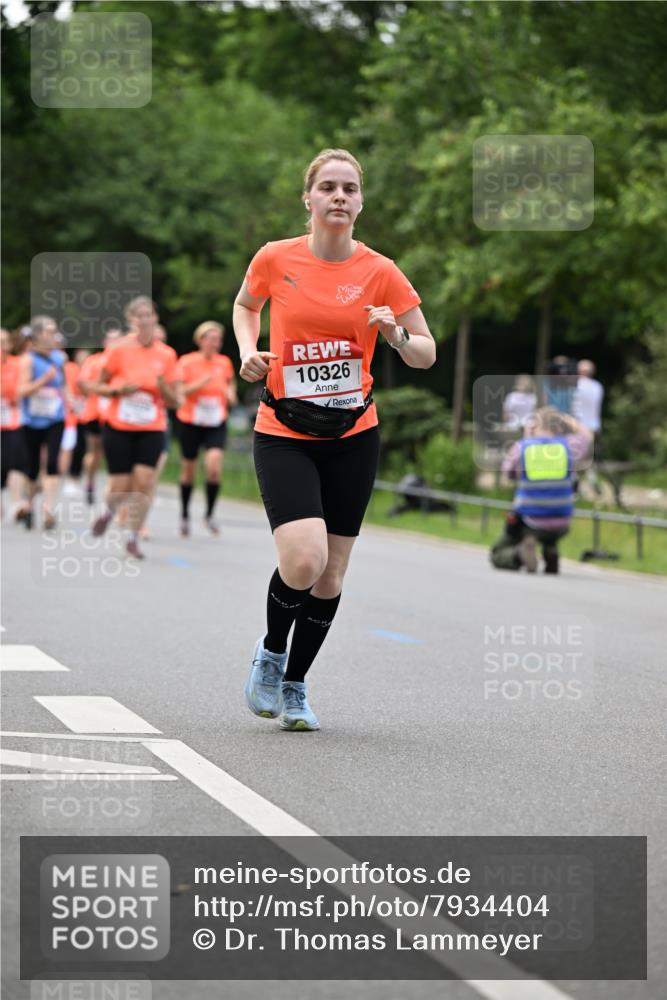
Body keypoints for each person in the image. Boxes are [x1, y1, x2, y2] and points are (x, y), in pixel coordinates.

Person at [234, 148, 435, 731]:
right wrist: (248, 351)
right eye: (328, 187)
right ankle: (272, 653)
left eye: (350, 188)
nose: (339, 196)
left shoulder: (381, 271)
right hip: (285, 431)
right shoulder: (276, 257)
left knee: (331, 573)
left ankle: (295, 685)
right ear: (309, 198)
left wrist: (395, 334)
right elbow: (246, 305)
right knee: (304, 558)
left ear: (361, 202)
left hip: (353, 435)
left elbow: (425, 353)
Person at [92, 297, 179, 559]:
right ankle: (108, 512)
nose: (144, 320)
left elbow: (175, 400)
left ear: (155, 318)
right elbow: (98, 386)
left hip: (151, 426)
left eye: (148, 314)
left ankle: (132, 536)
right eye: (138, 315)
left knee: (144, 481)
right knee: (121, 485)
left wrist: (162, 386)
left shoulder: (167, 354)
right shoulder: (118, 349)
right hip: (119, 425)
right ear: (131, 320)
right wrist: (117, 390)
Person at [490, 407, 592, 574]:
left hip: (530, 521)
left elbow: (508, 473)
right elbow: (587, 436)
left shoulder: (523, 447)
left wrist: (526, 438)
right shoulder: (569, 446)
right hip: (562, 522)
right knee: (549, 530)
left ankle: (519, 554)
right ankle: (551, 551)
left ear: (535, 425)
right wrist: (569, 420)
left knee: (498, 554)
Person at [174, 320, 237, 536]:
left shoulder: (224, 362)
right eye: (212, 339)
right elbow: (179, 391)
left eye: (219, 340)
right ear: (201, 340)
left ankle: (209, 514)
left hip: (216, 420)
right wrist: (200, 383)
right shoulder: (187, 362)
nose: (216, 343)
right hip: (190, 421)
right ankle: (184, 514)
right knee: (188, 471)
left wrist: (230, 392)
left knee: (214, 466)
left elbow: (230, 382)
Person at [16, 316, 66, 530]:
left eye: (54, 331)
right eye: (48, 331)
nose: (53, 335)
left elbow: (63, 385)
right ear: (37, 335)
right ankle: (29, 506)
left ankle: (49, 509)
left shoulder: (60, 358)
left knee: (52, 463)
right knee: (32, 467)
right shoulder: (28, 360)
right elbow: (21, 391)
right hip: (32, 420)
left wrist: (69, 399)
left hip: (55, 418)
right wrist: (43, 380)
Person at [77, 329, 123, 505]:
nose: (114, 344)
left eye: (118, 340)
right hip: (94, 413)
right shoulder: (94, 361)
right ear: (105, 342)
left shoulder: (124, 362)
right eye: (111, 340)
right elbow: (83, 384)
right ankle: (89, 482)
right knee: (95, 452)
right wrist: (104, 390)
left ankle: (112, 489)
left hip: (115, 415)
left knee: (111, 453)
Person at [1, 327, 27, 516]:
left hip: (13, 421)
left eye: (4, 342)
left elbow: (21, 390)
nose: (1, 346)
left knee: (15, 461)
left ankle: (17, 503)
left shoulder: (17, 364)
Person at [60, 348, 90, 495]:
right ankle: (62, 478)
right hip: (68, 416)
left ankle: (75, 477)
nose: (84, 360)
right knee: (67, 448)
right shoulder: (70, 369)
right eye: (81, 357)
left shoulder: (90, 371)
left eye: (86, 358)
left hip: (84, 416)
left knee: (80, 448)